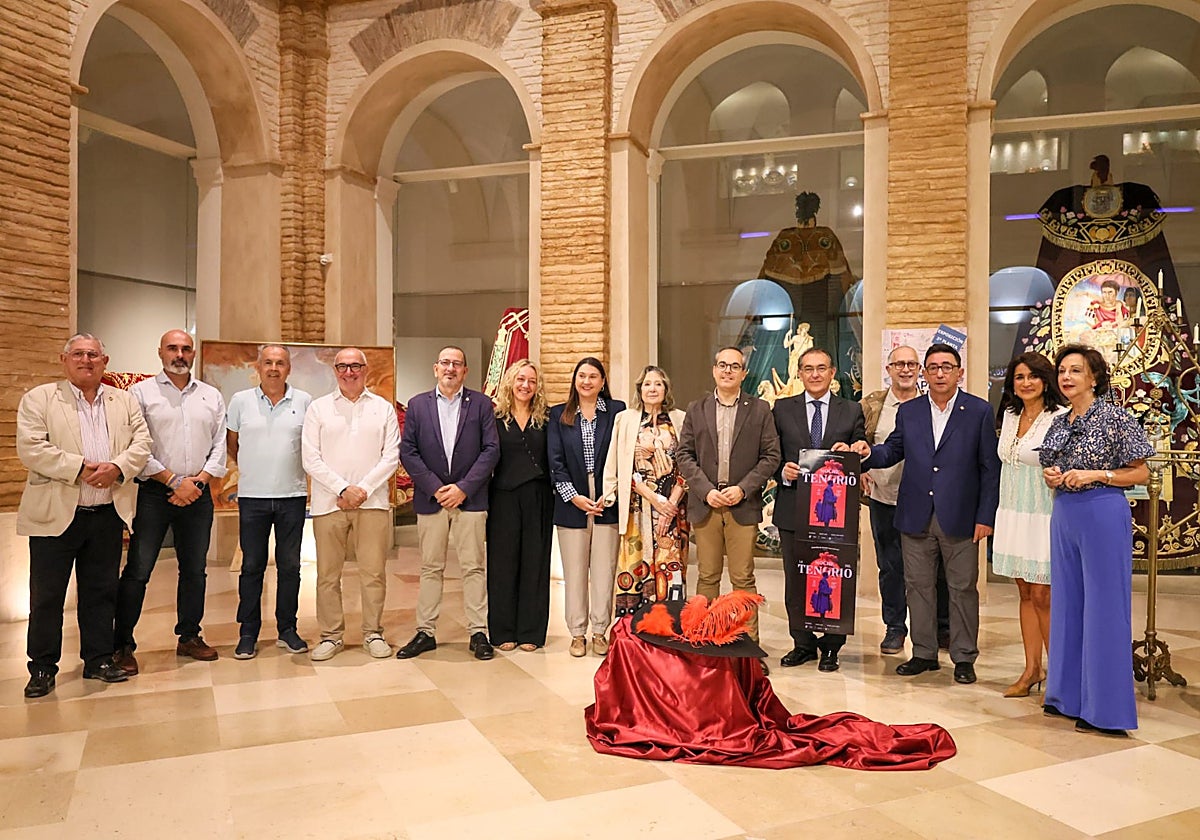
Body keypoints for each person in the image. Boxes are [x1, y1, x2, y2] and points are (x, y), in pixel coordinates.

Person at [850, 343, 1001, 686]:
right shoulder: (911, 411)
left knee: (962, 588)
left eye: (947, 367)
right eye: (932, 367)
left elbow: (989, 469)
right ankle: (923, 653)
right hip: (915, 513)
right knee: (917, 587)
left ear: (959, 372)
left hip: (961, 516)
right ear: (925, 373)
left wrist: (985, 516)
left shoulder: (977, 411)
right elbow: (893, 450)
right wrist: (867, 454)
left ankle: (963, 656)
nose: (940, 373)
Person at [16, 334, 152, 697]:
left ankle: (98, 660)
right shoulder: (40, 399)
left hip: (106, 513)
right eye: (78, 354)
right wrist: (79, 467)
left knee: (100, 592)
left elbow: (142, 443)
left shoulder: (123, 401)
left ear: (104, 361)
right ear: (64, 360)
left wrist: (118, 467)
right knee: (46, 597)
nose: (86, 360)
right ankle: (42, 668)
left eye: (93, 354)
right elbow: (31, 448)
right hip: (57, 514)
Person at [1040, 344, 1152, 736]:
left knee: (1104, 608)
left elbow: (1140, 474)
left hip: (1103, 511)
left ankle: (1106, 709)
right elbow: (1050, 465)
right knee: (1068, 604)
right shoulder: (1058, 422)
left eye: (1075, 370)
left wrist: (1096, 475)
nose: (1066, 377)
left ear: (1094, 377)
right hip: (1065, 514)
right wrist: (1053, 476)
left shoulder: (1115, 418)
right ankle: (1067, 696)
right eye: (1062, 371)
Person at [114, 329, 227, 674]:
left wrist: (199, 481)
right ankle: (121, 645)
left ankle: (189, 636)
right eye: (173, 348)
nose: (180, 354)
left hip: (199, 491)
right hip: (155, 493)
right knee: (139, 570)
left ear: (193, 354)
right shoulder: (140, 394)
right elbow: (135, 445)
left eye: (186, 349)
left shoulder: (211, 395)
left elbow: (219, 444)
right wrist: (174, 481)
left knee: (194, 570)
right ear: (160, 353)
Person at [677, 346, 780, 665]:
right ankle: (702, 640)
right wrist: (706, 490)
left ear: (744, 374)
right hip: (706, 504)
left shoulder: (760, 409)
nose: (728, 371)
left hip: (741, 505)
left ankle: (748, 648)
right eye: (723, 365)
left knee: (743, 577)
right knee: (706, 575)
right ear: (713, 369)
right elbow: (684, 454)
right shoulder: (697, 409)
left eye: (735, 366)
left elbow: (771, 457)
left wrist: (744, 488)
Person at [397, 346, 500, 661]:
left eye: (457, 364)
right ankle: (425, 631)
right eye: (445, 363)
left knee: (473, 567)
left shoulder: (481, 404)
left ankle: (478, 632)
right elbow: (408, 451)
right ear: (435, 368)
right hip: (432, 499)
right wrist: (436, 487)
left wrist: (464, 488)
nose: (450, 368)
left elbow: (491, 449)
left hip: (470, 500)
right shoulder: (417, 405)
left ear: (465, 371)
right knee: (430, 567)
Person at [301, 347, 401, 662]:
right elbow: (310, 458)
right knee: (328, 575)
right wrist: (343, 488)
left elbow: (391, 456)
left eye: (355, 366)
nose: (349, 372)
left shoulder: (382, 408)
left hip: (372, 504)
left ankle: (373, 633)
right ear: (335, 371)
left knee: (373, 572)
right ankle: (331, 636)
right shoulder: (319, 409)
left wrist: (363, 489)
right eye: (342, 366)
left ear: (365, 369)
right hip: (329, 504)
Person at [773, 347, 866, 673]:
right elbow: (770, 455)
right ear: (799, 373)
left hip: (834, 514)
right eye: (808, 368)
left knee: (832, 577)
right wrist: (781, 473)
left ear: (832, 372)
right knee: (796, 579)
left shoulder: (851, 410)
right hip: (792, 507)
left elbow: (860, 447)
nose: (815, 374)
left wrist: (855, 450)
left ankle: (831, 647)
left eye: (821, 368)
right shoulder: (782, 409)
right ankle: (802, 643)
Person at [861, 346, 950, 656]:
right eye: (899, 363)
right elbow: (867, 443)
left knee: (933, 566)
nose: (905, 369)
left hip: (926, 500)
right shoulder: (872, 404)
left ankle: (941, 628)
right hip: (884, 496)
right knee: (890, 566)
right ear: (889, 368)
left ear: (920, 370)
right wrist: (863, 466)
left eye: (912, 363)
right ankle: (895, 627)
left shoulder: (934, 404)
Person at [226, 344, 313, 659]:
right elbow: (232, 443)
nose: (274, 368)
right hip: (253, 497)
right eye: (268, 363)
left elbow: (311, 445)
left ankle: (287, 629)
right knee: (252, 567)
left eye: (280, 363)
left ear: (289, 368)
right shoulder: (240, 402)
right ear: (258, 367)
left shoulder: (304, 401)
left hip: (292, 495)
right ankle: (248, 632)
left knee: (290, 567)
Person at [993, 352, 1066, 698]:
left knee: (1044, 595)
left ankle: (1060, 677)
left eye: (1033, 376)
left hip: (1043, 515)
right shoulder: (1009, 414)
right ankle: (1031, 669)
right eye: (1019, 377)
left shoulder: (1061, 417)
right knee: (1024, 592)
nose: (1026, 383)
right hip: (1011, 512)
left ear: (1046, 380)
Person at [547, 357, 625, 657]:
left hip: (607, 499)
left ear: (603, 382)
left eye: (594, 376)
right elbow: (555, 461)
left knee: (604, 571)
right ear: (575, 380)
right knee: (575, 571)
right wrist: (573, 496)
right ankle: (577, 633)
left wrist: (609, 493)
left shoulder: (617, 411)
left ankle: (599, 631)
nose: (587, 381)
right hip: (572, 502)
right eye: (582, 376)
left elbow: (623, 452)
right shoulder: (559, 414)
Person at [603, 366, 688, 617]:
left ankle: (668, 629)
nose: (652, 388)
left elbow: (689, 463)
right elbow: (618, 462)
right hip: (636, 508)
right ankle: (633, 633)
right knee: (634, 564)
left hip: (673, 510)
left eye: (658, 384)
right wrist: (653, 498)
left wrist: (668, 506)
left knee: (670, 568)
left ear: (666, 389)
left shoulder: (680, 419)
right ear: (639, 389)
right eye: (647, 384)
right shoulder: (626, 419)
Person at [486, 360, 553, 652]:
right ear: (510, 382)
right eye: (521, 379)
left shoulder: (546, 420)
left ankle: (531, 632)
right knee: (502, 564)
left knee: (535, 564)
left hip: (539, 497)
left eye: (532, 381)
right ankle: (502, 630)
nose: (526, 385)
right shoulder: (494, 417)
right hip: (503, 497)